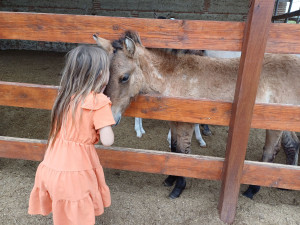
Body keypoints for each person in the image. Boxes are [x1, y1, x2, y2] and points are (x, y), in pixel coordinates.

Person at [28, 45, 115, 225]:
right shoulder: (98, 102)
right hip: (75, 170)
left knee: (64, 207)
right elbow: (108, 140)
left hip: (51, 166)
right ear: (100, 75)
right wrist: (106, 122)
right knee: (77, 210)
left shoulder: (65, 96)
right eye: (108, 70)